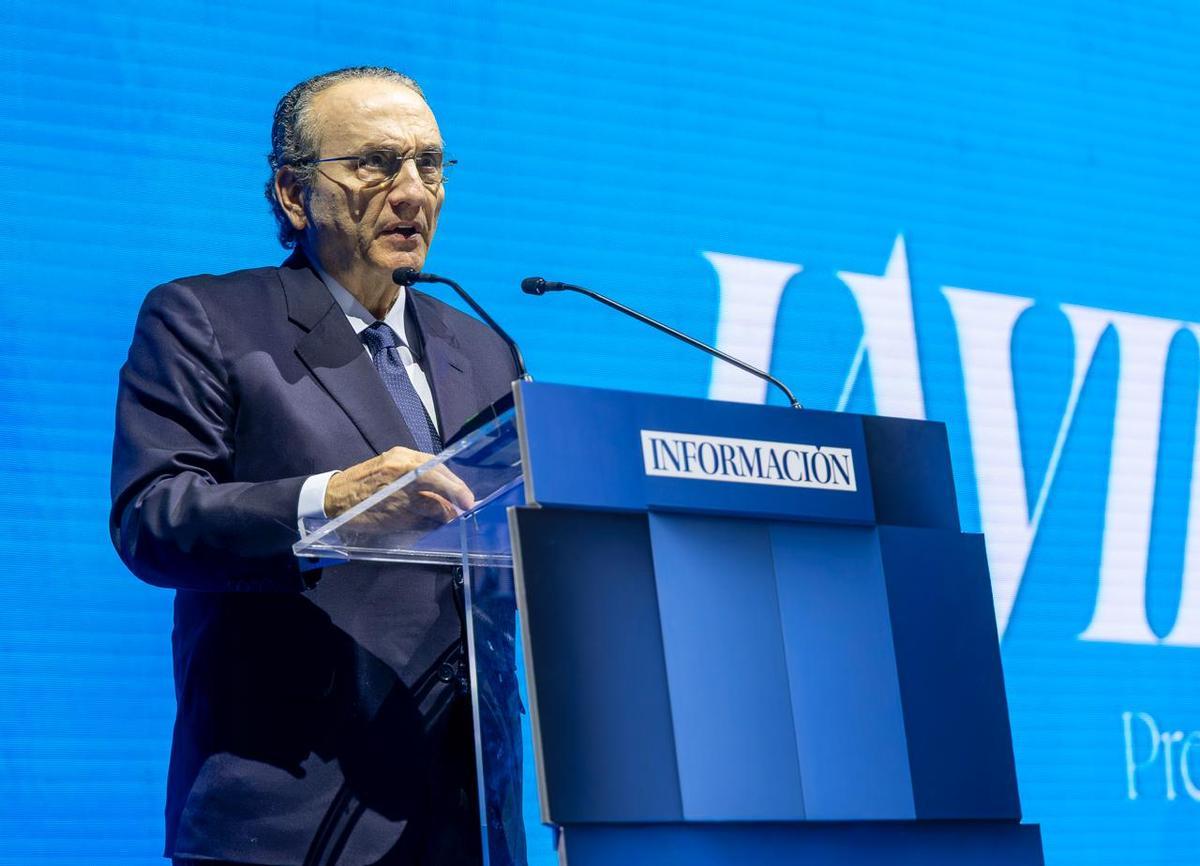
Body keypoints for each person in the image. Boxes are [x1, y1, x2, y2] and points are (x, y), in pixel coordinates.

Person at [110, 67, 517, 866]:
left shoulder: (484, 346)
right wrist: (330, 501)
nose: (412, 192)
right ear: (294, 193)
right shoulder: (208, 319)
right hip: (289, 813)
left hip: (464, 813)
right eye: (376, 164)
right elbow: (152, 519)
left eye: (429, 165)